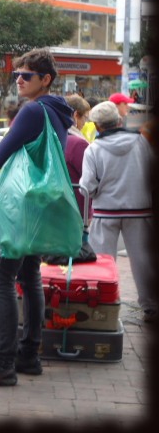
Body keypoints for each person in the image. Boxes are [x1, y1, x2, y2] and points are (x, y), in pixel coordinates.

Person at [0, 48, 74, 387]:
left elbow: (1, 156)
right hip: (41, 203)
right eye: (16, 74)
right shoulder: (60, 111)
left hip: (21, 206)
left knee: (2, 280)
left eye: (26, 75)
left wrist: (9, 148)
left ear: (45, 79)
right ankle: (29, 354)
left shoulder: (33, 110)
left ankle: (4, 361)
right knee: (30, 276)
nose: (19, 80)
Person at [79, 101, 156, 323]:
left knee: (102, 260)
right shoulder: (141, 141)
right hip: (140, 209)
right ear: (119, 121)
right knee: (143, 259)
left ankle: (102, 302)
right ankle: (151, 306)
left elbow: (87, 186)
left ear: (97, 126)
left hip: (106, 211)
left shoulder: (93, 149)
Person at [64, 94, 92, 216]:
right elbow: (91, 176)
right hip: (77, 210)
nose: (85, 123)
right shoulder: (77, 144)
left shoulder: (55, 135)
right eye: (85, 118)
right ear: (75, 115)